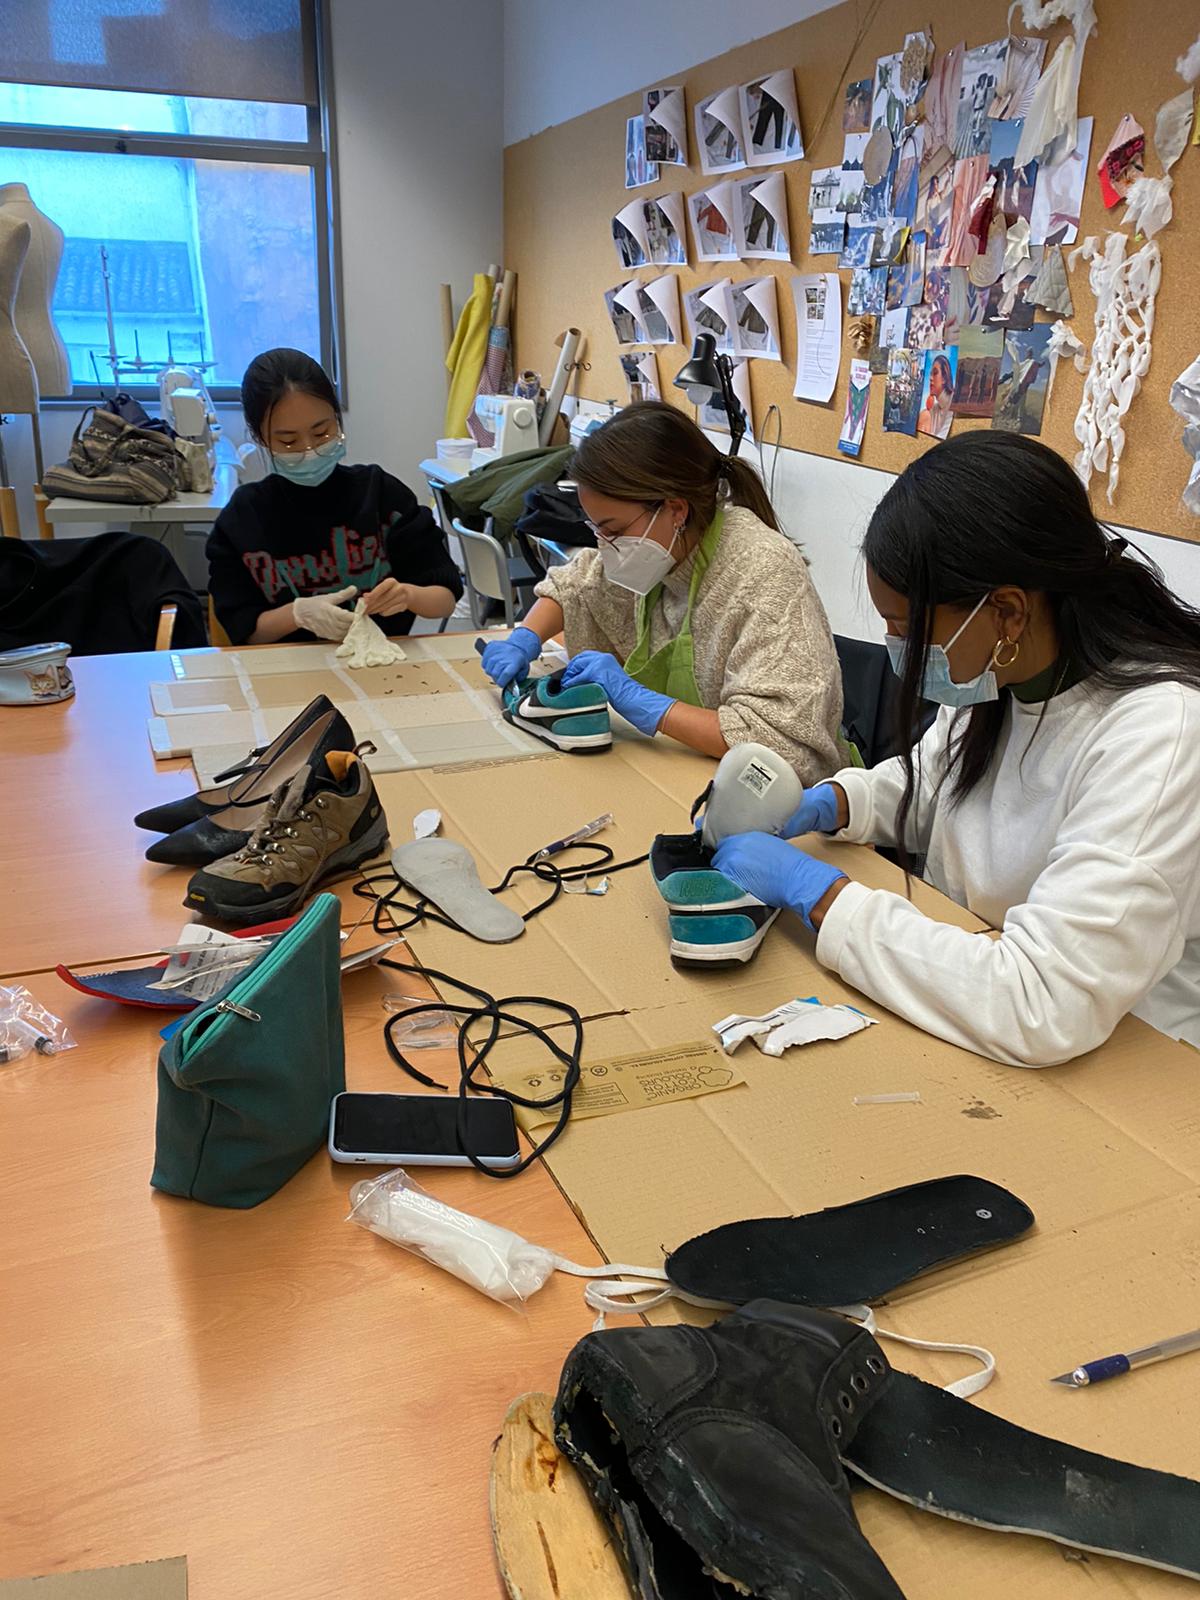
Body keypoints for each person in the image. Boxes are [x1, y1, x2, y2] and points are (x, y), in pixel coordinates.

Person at [711, 431, 1200, 1067]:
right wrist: (832, 801)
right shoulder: (1006, 673)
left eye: (905, 627)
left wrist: (819, 894)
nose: (896, 648)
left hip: (1125, 1060)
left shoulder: (1160, 735)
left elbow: (1042, 1002)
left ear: (1009, 612)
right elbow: (936, 787)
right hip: (973, 992)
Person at [480, 401, 844, 776]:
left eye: (614, 530)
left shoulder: (762, 570)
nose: (605, 545)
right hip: (689, 767)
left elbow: (777, 741)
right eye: (596, 529)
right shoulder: (664, 548)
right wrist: (524, 638)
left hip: (772, 788)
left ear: (676, 509)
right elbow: (578, 584)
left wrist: (643, 702)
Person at [207, 348, 461, 645]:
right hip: (288, 665)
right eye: (288, 441)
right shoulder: (243, 518)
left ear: (336, 418)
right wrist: (297, 614)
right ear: (259, 437)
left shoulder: (381, 495)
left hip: (380, 661)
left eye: (321, 433)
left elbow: (445, 598)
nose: (309, 450)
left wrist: (408, 595)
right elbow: (244, 633)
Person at [917, 353, 954, 440]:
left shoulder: (952, 403)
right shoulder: (933, 410)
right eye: (930, 374)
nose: (930, 378)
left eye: (935, 373)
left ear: (944, 378)